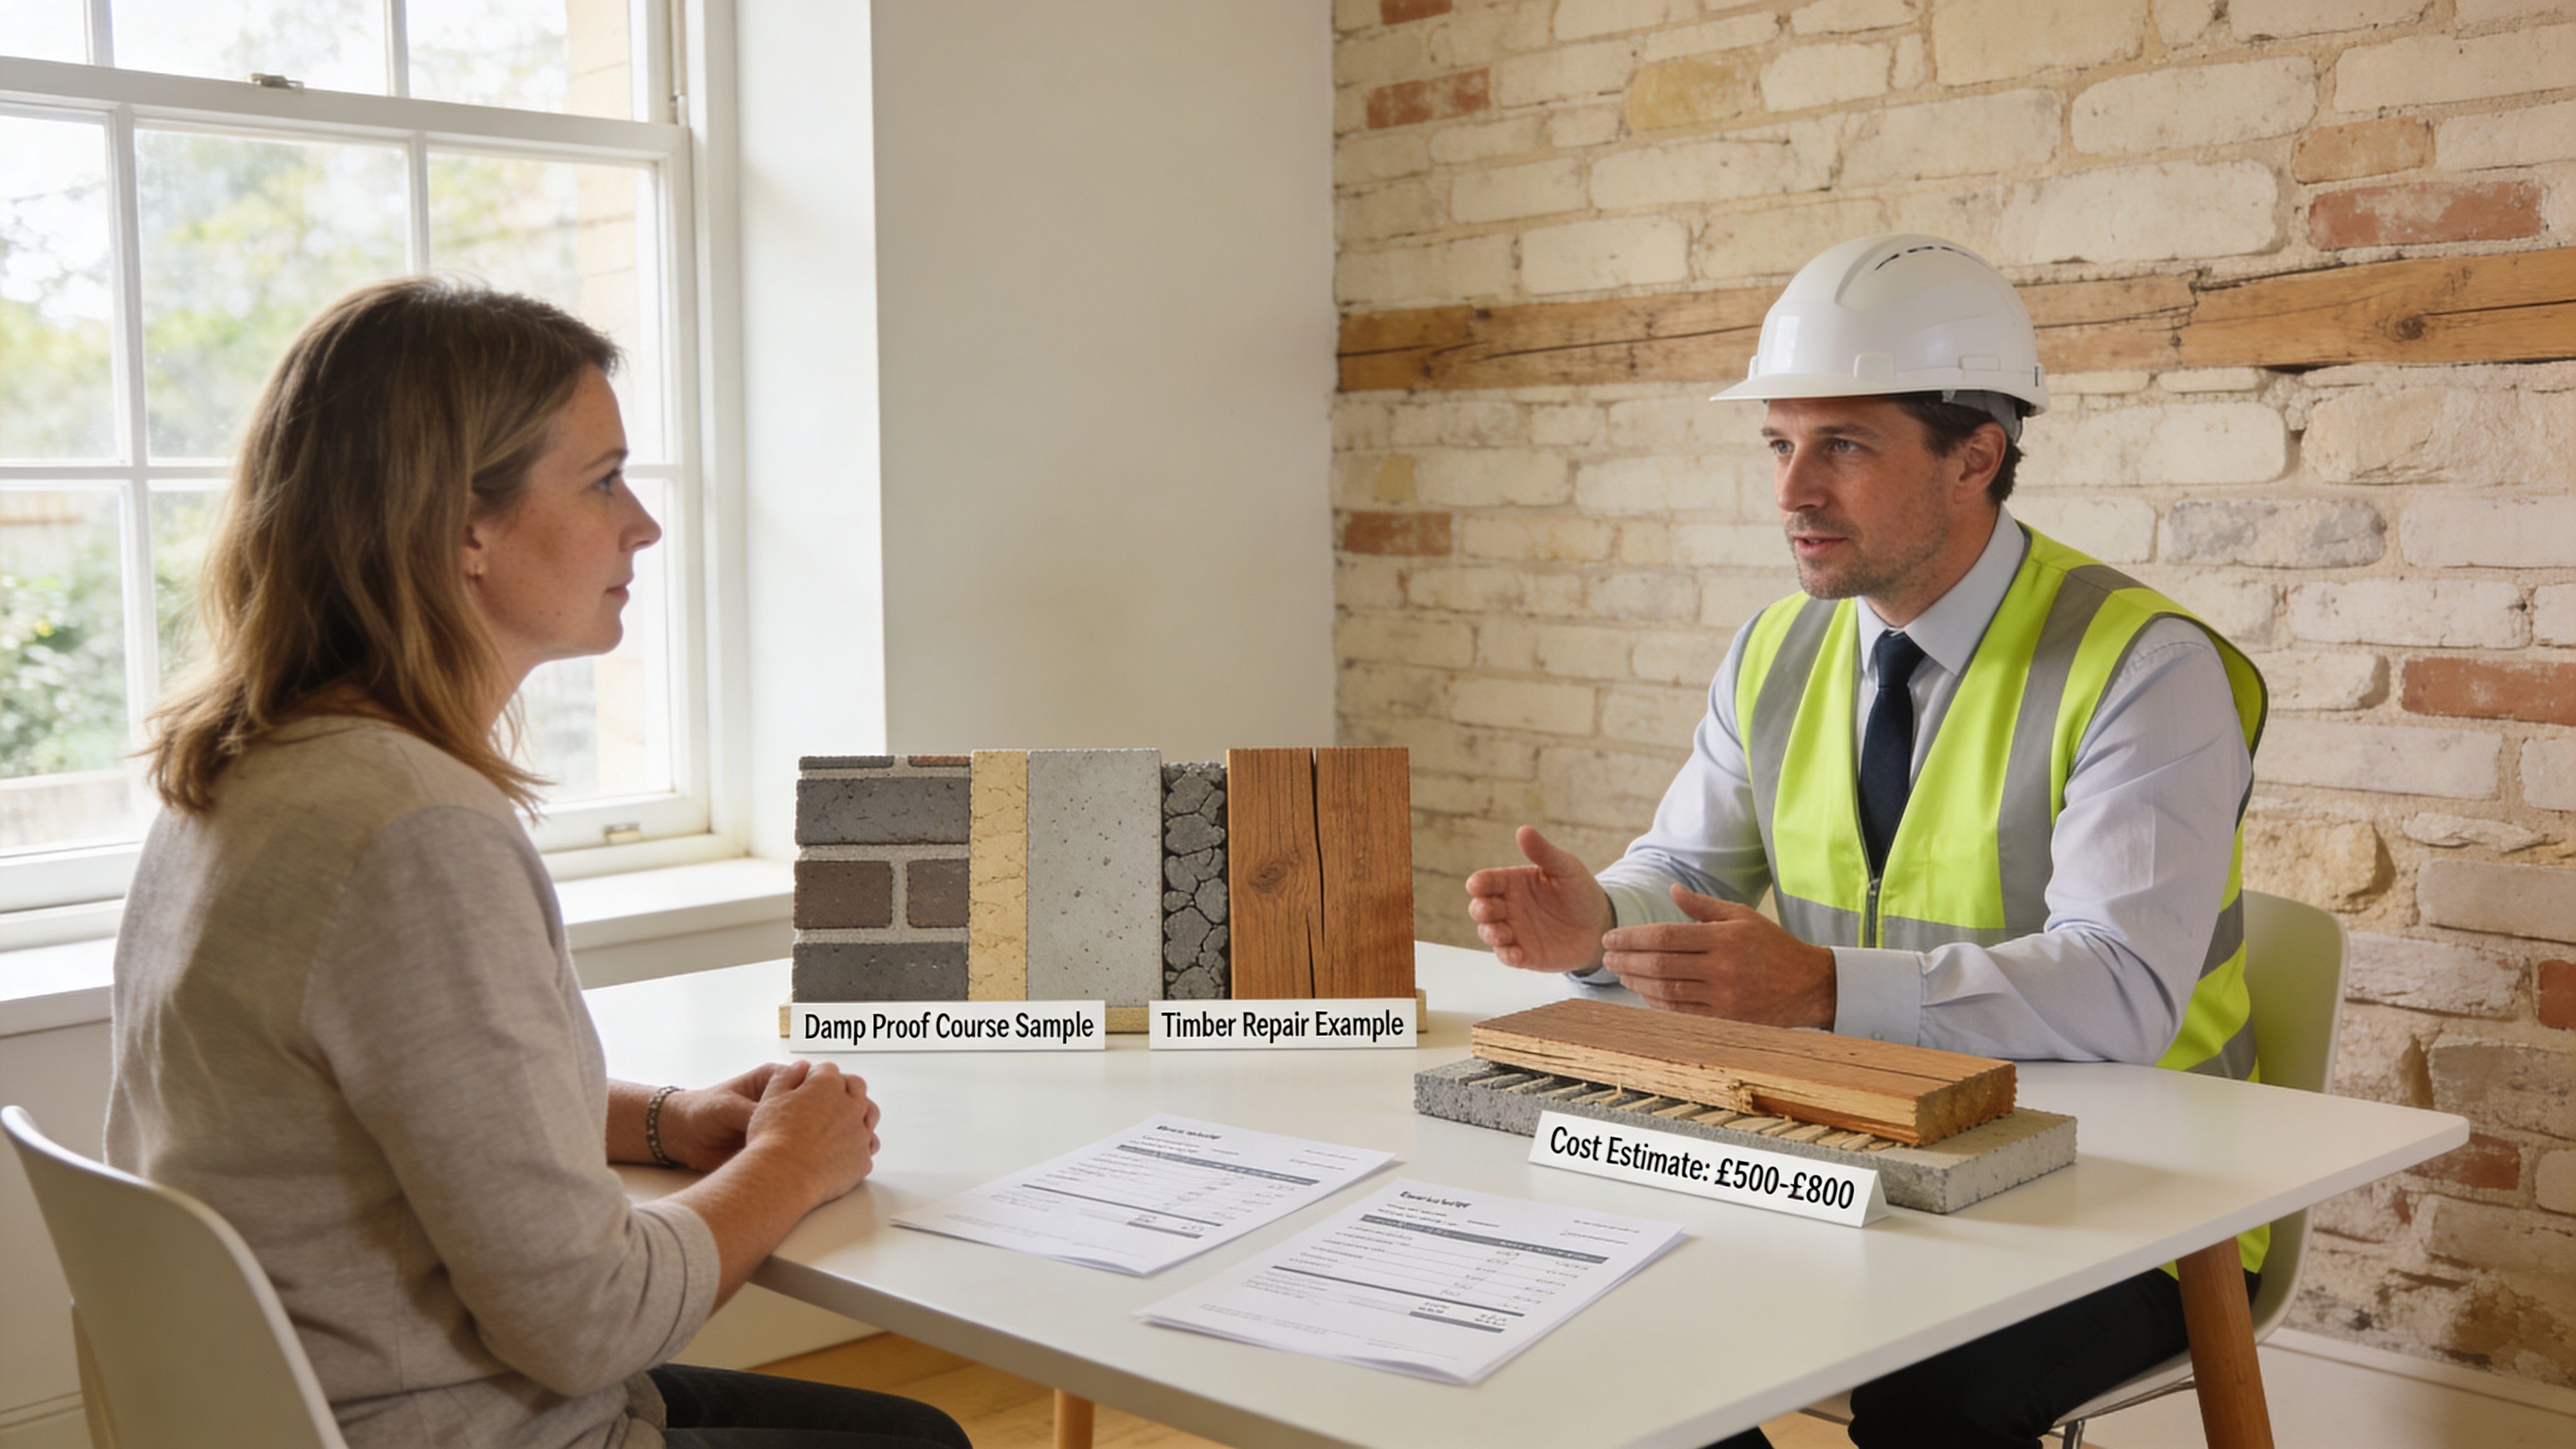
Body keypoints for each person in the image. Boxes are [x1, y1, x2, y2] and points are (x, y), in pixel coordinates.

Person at [106, 278, 970, 1449]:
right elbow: (590, 1321)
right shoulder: (414, 833)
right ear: (466, 525)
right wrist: (788, 1166)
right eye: (604, 480)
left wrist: (676, 1122)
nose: (643, 527)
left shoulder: (247, 771)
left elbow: (404, 1104)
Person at [1463, 235, 2268, 1449]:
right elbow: (1686, 878)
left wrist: (1823, 988)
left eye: (1843, 446)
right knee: (1601, 1320)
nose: (1792, 492)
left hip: (2134, 1196)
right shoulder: (1779, 650)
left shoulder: (2144, 667)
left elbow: (2123, 990)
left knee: (1931, 1400)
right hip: (1864, 1152)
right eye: (1780, 446)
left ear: (1976, 457)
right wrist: (1603, 926)